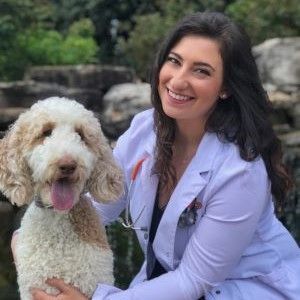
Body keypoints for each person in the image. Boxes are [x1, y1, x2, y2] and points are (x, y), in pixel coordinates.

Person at [13, 11, 300, 300]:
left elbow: (192, 279)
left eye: (201, 70)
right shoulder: (144, 129)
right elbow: (99, 204)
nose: (178, 80)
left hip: (246, 290)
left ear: (225, 87)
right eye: (174, 61)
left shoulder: (240, 171)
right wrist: (28, 240)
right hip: (165, 284)